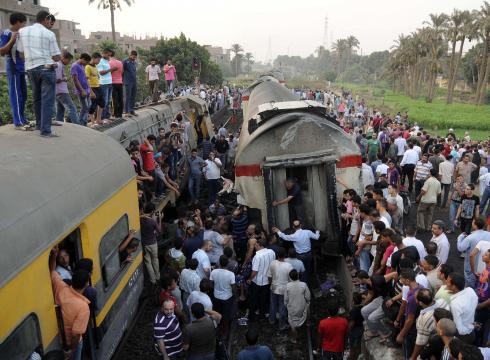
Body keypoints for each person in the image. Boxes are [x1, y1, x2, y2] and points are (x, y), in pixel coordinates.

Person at [18, 10, 61, 137]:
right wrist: (51, 59)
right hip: (46, 69)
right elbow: (57, 56)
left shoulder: (22, 31)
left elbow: (20, 53)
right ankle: (46, 131)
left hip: (31, 69)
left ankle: (39, 125)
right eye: (50, 21)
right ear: (46, 19)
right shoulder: (49, 34)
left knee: (37, 98)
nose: (50, 24)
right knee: (47, 100)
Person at [49, 248, 90, 360]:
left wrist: (54, 256)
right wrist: (72, 350)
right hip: (71, 344)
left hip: (60, 340)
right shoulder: (83, 307)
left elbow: (52, 271)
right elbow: (76, 335)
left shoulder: (61, 287)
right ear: (86, 284)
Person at [0, 13, 30, 130]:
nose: (23, 26)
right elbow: (2, 51)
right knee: (16, 94)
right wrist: (12, 39)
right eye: (23, 24)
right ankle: (18, 122)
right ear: (18, 22)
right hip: (13, 68)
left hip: (23, 69)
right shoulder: (7, 33)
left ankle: (22, 118)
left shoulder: (21, 34)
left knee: (24, 95)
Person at [272, 220, 320, 286]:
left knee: (298, 271)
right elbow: (317, 237)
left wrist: (278, 231)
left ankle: (299, 284)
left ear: (293, 227)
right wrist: (317, 231)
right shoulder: (307, 232)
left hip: (300, 256)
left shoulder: (294, 236)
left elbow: (284, 237)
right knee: (307, 270)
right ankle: (306, 284)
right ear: (301, 225)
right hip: (308, 255)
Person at [457, 217, 490, 288]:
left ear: (475, 225)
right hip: (485, 266)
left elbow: (460, 248)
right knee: (483, 285)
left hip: (471, 266)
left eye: (472, 222)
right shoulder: (488, 234)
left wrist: (460, 237)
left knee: (470, 287)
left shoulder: (470, 237)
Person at [247, 239, 276, 321]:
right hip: (267, 280)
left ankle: (252, 316)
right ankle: (261, 316)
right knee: (263, 299)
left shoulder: (257, 256)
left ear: (260, 245)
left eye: (256, 245)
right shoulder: (271, 252)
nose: (255, 246)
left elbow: (255, 271)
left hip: (257, 282)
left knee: (253, 299)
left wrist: (249, 279)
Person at [446, 272, 478, 344]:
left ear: (454, 286)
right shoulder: (471, 290)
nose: (446, 282)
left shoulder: (455, 303)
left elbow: (460, 330)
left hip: (463, 338)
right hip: (471, 331)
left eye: (447, 282)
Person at [210, 255, 237, 338]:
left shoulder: (214, 272)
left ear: (219, 263)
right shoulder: (231, 274)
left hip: (216, 296)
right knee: (226, 316)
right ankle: (225, 332)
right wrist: (236, 297)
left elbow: (211, 285)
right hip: (227, 298)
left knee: (217, 314)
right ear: (228, 263)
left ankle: (216, 328)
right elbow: (233, 288)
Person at [267, 247, 293, 330]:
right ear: (285, 255)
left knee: (273, 305)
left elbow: (269, 277)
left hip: (274, 287)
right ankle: (281, 325)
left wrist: (271, 283)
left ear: (277, 255)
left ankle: (272, 320)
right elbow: (291, 279)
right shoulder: (289, 266)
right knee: (282, 307)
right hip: (284, 289)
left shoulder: (272, 263)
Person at [284, 269, 310, 344]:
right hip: (302, 307)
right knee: (308, 307)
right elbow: (308, 297)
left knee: (292, 324)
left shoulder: (288, 286)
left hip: (292, 308)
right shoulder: (304, 285)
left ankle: (294, 339)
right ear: (298, 276)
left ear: (290, 277)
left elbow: (286, 299)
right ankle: (307, 322)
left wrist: (287, 306)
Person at [55, 51, 79, 124]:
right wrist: (64, 79)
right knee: (72, 108)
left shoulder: (59, 65)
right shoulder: (59, 65)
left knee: (60, 110)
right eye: (68, 60)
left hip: (57, 91)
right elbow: (56, 79)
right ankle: (78, 126)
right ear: (63, 58)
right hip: (62, 91)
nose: (69, 62)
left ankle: (60, 125)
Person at [140, 202, 161, 285]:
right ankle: (157, 277)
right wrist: (160, 219)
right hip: (153, 244)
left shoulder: (141, 219)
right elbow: (159, 231)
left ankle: (152, 280)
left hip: (145, 244)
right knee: (155, 260)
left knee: (148, 262)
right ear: (152, 211)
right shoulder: (152, 221)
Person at [70, 53, 91, 126]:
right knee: (85, 107)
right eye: (87, 62)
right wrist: (82, 90)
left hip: (86, 90)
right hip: (81, 91)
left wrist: (89, 90)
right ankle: (81, 123)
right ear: (83, 59)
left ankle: (83, 122)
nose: (87, 64)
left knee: (88, 106)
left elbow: (84, 78)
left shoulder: (82, 66)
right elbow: (75, 79)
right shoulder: (75, 66)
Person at [85, 52, 103, 126]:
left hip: (98, 86)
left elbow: (97, 77)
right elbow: (87, 80)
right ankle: (92, 122)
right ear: (93, 58)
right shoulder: (87, 67)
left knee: (102, 103)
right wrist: (91, 91)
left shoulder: (95, 66)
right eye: (98, 60)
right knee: (93, 105)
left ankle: (98, 119)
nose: (98, 62)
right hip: (92, 87)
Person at [97, 48, 115, 121]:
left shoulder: (107, 61)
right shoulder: (100, 61)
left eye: (110, 55)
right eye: (108, 55)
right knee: (105, 101)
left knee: (109, 100)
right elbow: (101, 72)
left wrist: (111, 70)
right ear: (104, 53)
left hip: (109, 83)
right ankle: (103, 117)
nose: (109, 56)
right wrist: (111, 69)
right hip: (103, 83)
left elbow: (108, 72)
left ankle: (107, 116)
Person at [109, 50, 124, 118]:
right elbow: (122, 72)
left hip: (113, 82)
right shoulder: (120, 62)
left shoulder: (109, 63)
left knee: (114, 98)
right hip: (120, 82)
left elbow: (109, 73)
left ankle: (115, 113)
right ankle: (120, 113)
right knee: (120, 98)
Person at [123, 50, 138, 115]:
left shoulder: (134, 62)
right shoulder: (125, 61)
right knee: (128, 96)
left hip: (134, 81)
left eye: (135, 57)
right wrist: (123, 80)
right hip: (128, 82)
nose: (134, 58)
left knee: (133, 96)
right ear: (130, 55)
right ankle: (127, 111)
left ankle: (132, 110)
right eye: (133, 56)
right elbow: (122, 71)